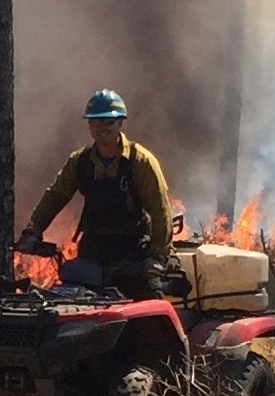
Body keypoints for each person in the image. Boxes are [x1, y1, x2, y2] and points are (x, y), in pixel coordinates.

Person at [15, 89, 174, 298]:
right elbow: (55, 196)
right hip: (93, 253)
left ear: (120, 123)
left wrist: (156, 257)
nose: (101, 128)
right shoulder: (80, 162)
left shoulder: (141, 162)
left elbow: (160, 210)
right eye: (95, 122)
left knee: (151, 311)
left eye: (108, 122)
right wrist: (33, 231)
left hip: (132, 255)